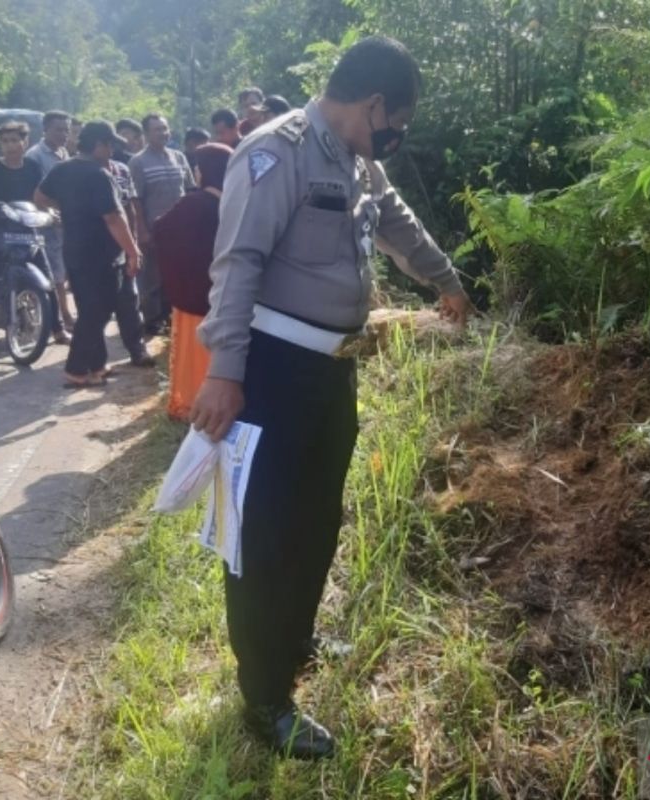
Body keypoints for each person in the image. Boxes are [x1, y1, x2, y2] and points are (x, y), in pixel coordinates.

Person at [191, 36, 474, 760]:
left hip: (331, 373)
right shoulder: (275, 152)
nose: (396, 133)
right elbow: (238, 263)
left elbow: (399, 226)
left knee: (317, 518)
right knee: (264, 535)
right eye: (397, 118)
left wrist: (445, 280)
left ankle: (297, 637)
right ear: (372, 103)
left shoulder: (360, 161)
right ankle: (264, 698)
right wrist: (223, 371)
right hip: (269, 374)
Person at [34, 121, 142, 388]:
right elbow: (114, 218)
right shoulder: (98, 174)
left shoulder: (63, 168)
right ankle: (76, 369)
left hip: (74, 250)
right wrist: (133, 251)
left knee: (89, 309)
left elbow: (39, 197)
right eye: (110, 145)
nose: (112, 150)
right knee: (98, 312)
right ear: (98, 145)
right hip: (101, 254)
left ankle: (97, 366)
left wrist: (67, 208)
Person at [0, 122, 67, 343]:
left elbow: (41, 195)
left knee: (46, 276)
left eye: (15, 140)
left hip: (26, 226)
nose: (10, 146)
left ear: (25, 142)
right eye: (5, 141)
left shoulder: (32, 166)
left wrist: (51, 211)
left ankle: (58, 330)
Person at [152, 143, 231, 420]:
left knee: (194, 355)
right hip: (227, 298)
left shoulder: (192, 203)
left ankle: (193, 406)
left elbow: (161, 229)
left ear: (204, 172)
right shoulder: (236, 204)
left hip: (192, 297)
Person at [129, 113, 194, 335]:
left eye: (165, 128)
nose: (163, 133)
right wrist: (141, 230)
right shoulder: (138, 162)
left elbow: (189, 190)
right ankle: (152, 320)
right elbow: (135, 199)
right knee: (153, 277)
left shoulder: (179, 157)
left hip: (180, 229)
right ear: (146, 134)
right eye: (157, 129)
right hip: (154, 229)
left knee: (177, 274)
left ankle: (171, 316)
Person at [103, 142, 154, 368]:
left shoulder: (122, 170)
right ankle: (95, 361)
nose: (110, 148)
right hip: (92, 249)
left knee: (129, 300)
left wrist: (133, 242)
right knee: (96, 306)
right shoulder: (79, 171)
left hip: (122, 245)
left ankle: (137, 350)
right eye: (106, 143)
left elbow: (131, 206)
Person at [26, 110, 76, 332]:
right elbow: (34, 194)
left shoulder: (64, 152)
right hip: (45, 224)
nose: (63, 134)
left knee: (63, 272)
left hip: (65, 222)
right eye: (58, 129)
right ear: (45, 129)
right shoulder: (35, 156)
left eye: (66, 130)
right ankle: (63, 317)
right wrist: (50, 212)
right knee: (55, 273)